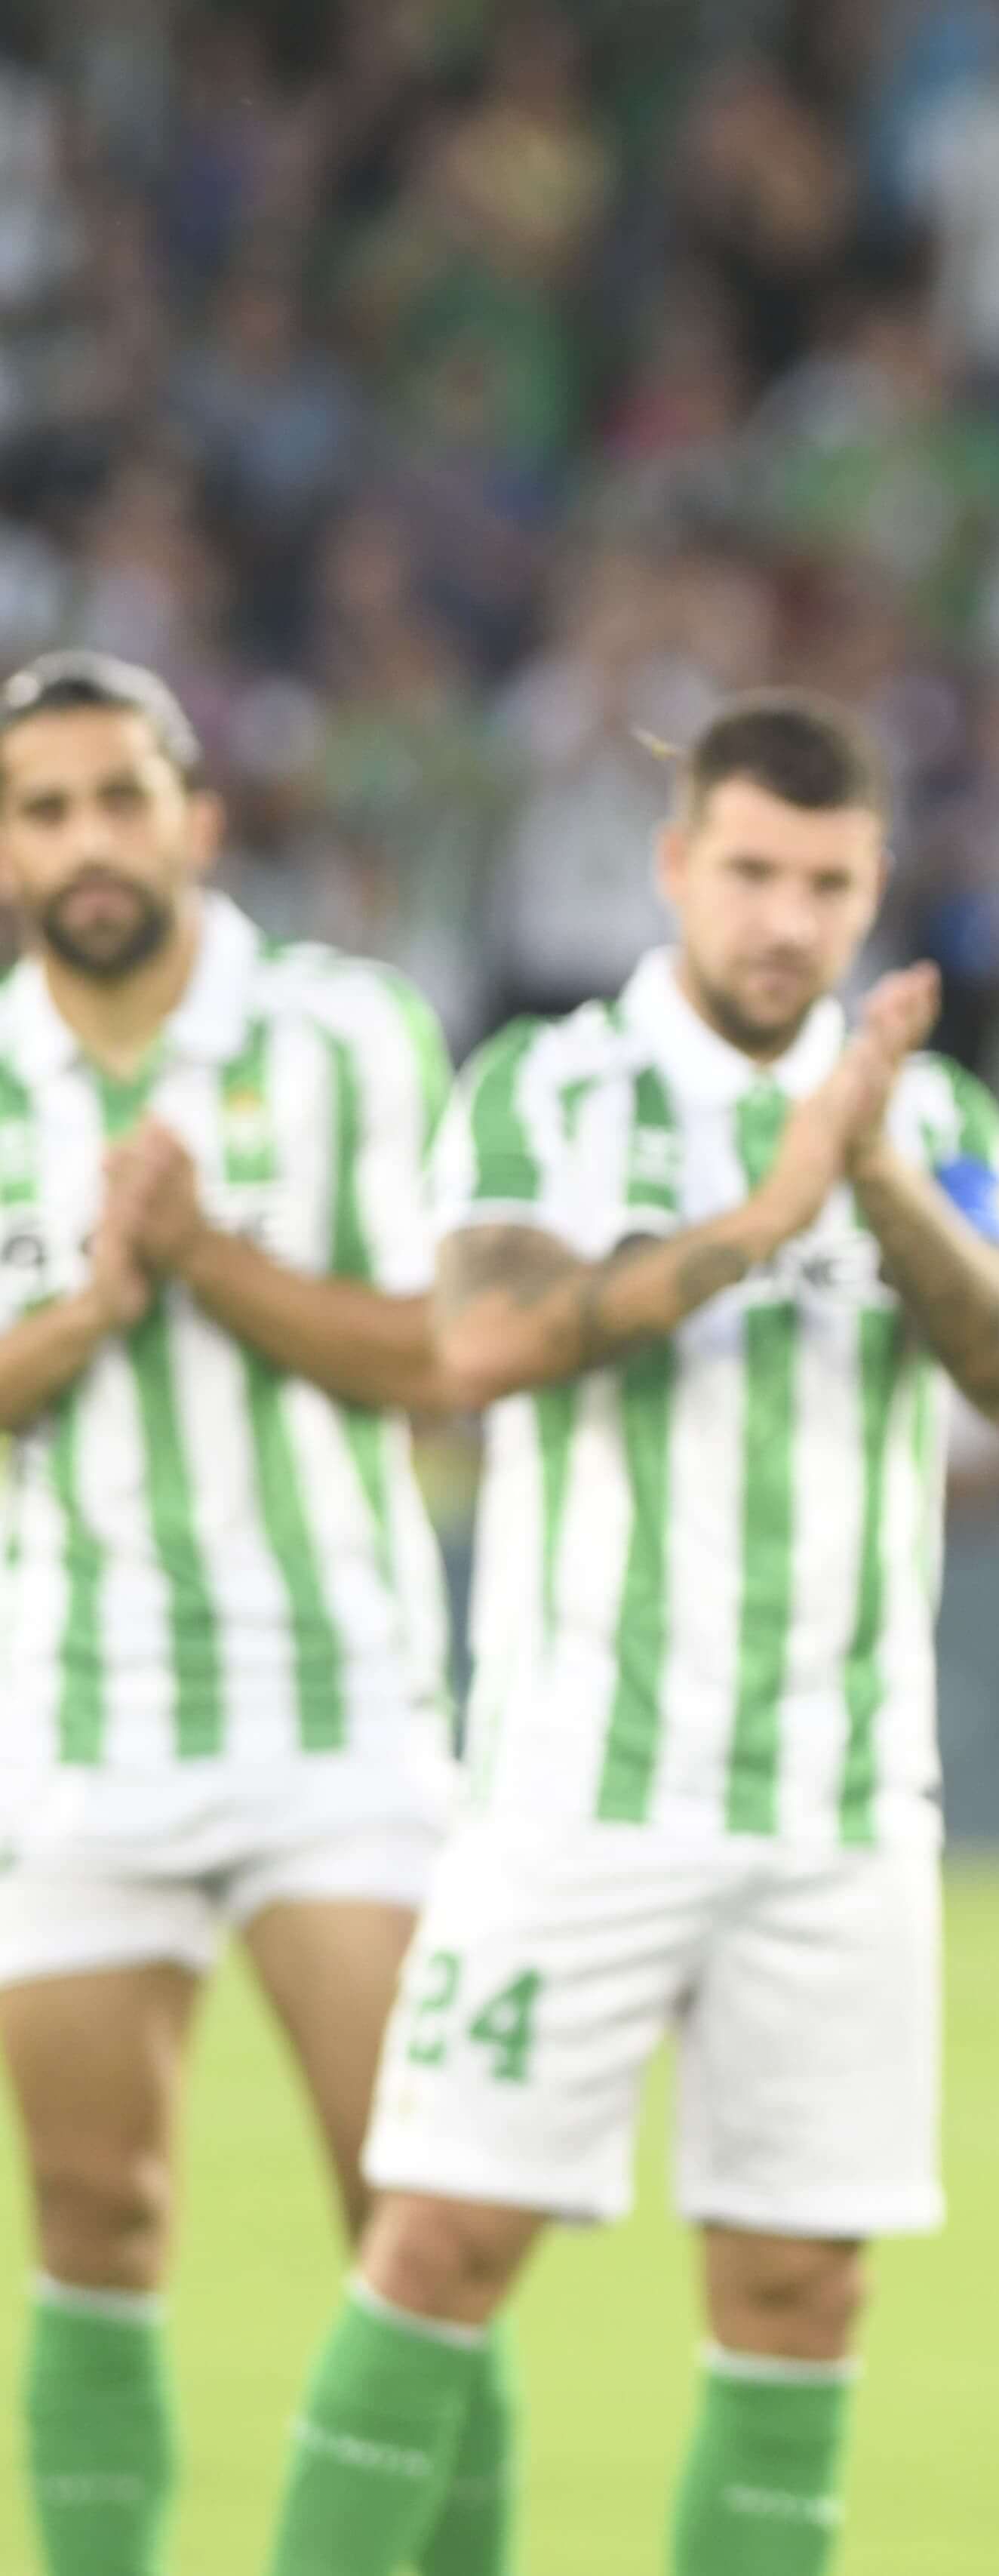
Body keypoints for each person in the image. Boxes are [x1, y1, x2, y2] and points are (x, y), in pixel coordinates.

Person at [254, 693, 999, 2576]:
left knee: (798, 2290)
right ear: (677, 866)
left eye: (829, 883)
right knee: (438, 2241)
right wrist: (767, 1208)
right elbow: (480, 1342)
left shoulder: (930, 1111)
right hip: (574, 1792)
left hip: (844, 1805)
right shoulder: (550, 1084)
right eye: (754, 873)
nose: (787, 918)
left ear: (871, 892)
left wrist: (863, 1182)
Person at [0, 654, 472, 2576]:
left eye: (122, 797)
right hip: (71, 1721)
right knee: (95, 2217)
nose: (87, 841)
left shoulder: (349, 1034)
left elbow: (444, 1353)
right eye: (44, 810)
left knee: (416, 2210)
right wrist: (90, 1312)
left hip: (335, 1715)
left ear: (198, 818)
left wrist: (206, 1257)